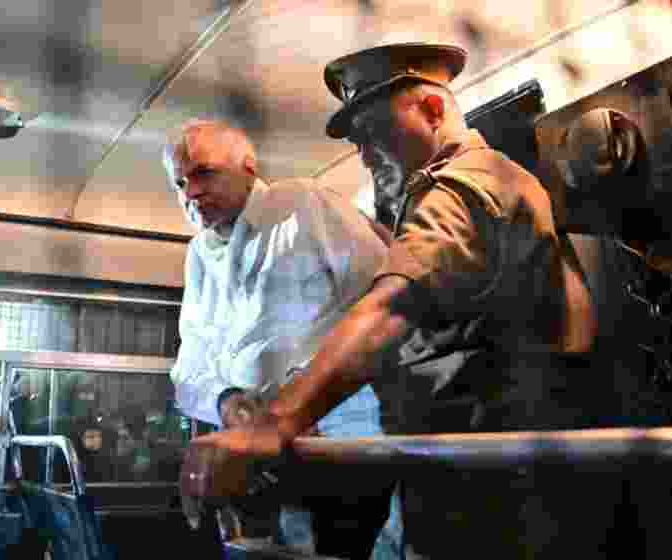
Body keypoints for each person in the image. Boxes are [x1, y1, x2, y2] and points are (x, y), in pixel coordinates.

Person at [180, 42, 661, 559]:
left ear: (431, 110)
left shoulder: (464, 186)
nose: (362, 155)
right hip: (468, 479)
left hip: (487, 498)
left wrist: (273, 425)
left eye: (369, 134)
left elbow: (392, 308)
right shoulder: (481, 184)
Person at [165, 119, 403, 559]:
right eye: (180, 182)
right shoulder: (198, 254)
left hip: (344, 443)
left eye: (204, 173)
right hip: (261, 460)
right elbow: (188, 371)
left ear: (249, 167)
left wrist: (308, 397)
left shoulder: (302, 203)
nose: (190, 192)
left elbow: (389, 307)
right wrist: (228, 401)